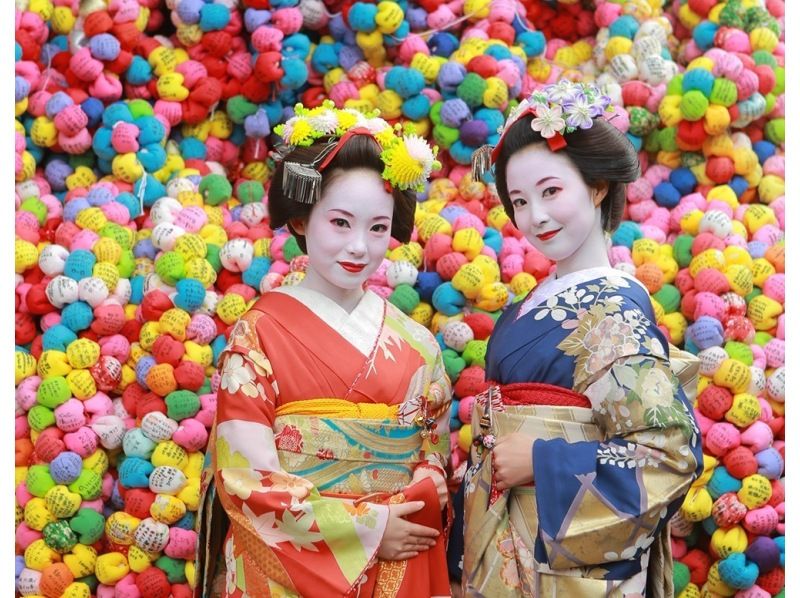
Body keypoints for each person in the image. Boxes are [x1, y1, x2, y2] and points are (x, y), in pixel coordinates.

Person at [453, 80, 704, 597]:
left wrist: (543, 462)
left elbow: (667, 453)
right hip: (504, 542)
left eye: (551, 191)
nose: (534, 216)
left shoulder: (611, 309)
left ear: (596, 186)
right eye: (519, 201)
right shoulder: (530, 303)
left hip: (561, 564)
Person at [195, 101, 453, 597]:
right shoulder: (259, 333)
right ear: (300, 220)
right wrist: (367, 529)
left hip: (400, 557)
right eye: (340, 223)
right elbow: (245, 477)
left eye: (378, 228)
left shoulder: (418, 344)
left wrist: (419, 495)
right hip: (300, 570)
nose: (359, 246)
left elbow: (434, 454)